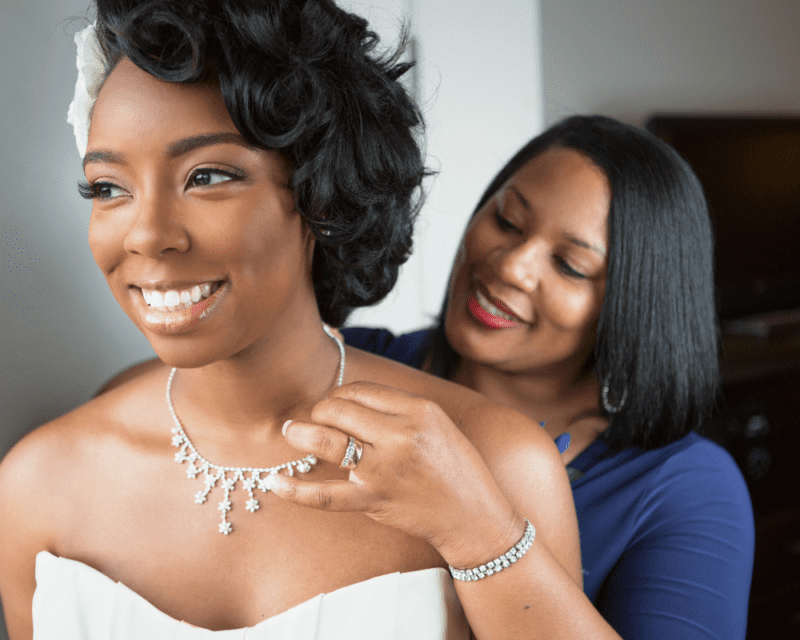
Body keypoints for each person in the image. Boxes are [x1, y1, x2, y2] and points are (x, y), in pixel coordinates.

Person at [0, 1, 596, 639]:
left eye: (207, 176)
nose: (146, 236)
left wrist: (477, 533)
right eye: (108, 188)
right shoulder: (36, 484)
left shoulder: (496, 465)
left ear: (322, 194)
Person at [342, 115, 755, 639]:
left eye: (570, 265)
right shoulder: (349, 361)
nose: (513, 265)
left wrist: (485, 535)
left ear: (632, 307)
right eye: (509, 221)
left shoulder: (686, 487)